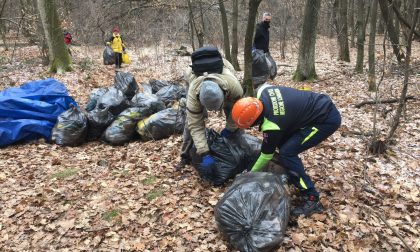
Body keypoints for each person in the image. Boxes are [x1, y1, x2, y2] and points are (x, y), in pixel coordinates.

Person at [231, 84, 341, 217]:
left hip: (325, 120)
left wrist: (249, 175)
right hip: (315, 104)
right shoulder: (263, 90)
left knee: (287, 153)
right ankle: (291, 173)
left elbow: (266, 155)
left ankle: (312, 198)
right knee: (284, 145)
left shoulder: (272, 125)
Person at [176, 50, 243, 171]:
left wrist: (230, 129)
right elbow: (195, 125)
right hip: (192, 78)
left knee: (236, 119)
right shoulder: (193, 93)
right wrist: (204, 153)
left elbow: (238, 114)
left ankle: (239, 150)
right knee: (189, 122)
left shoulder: (234, 87)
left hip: (226, 78)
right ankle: (185, 156)